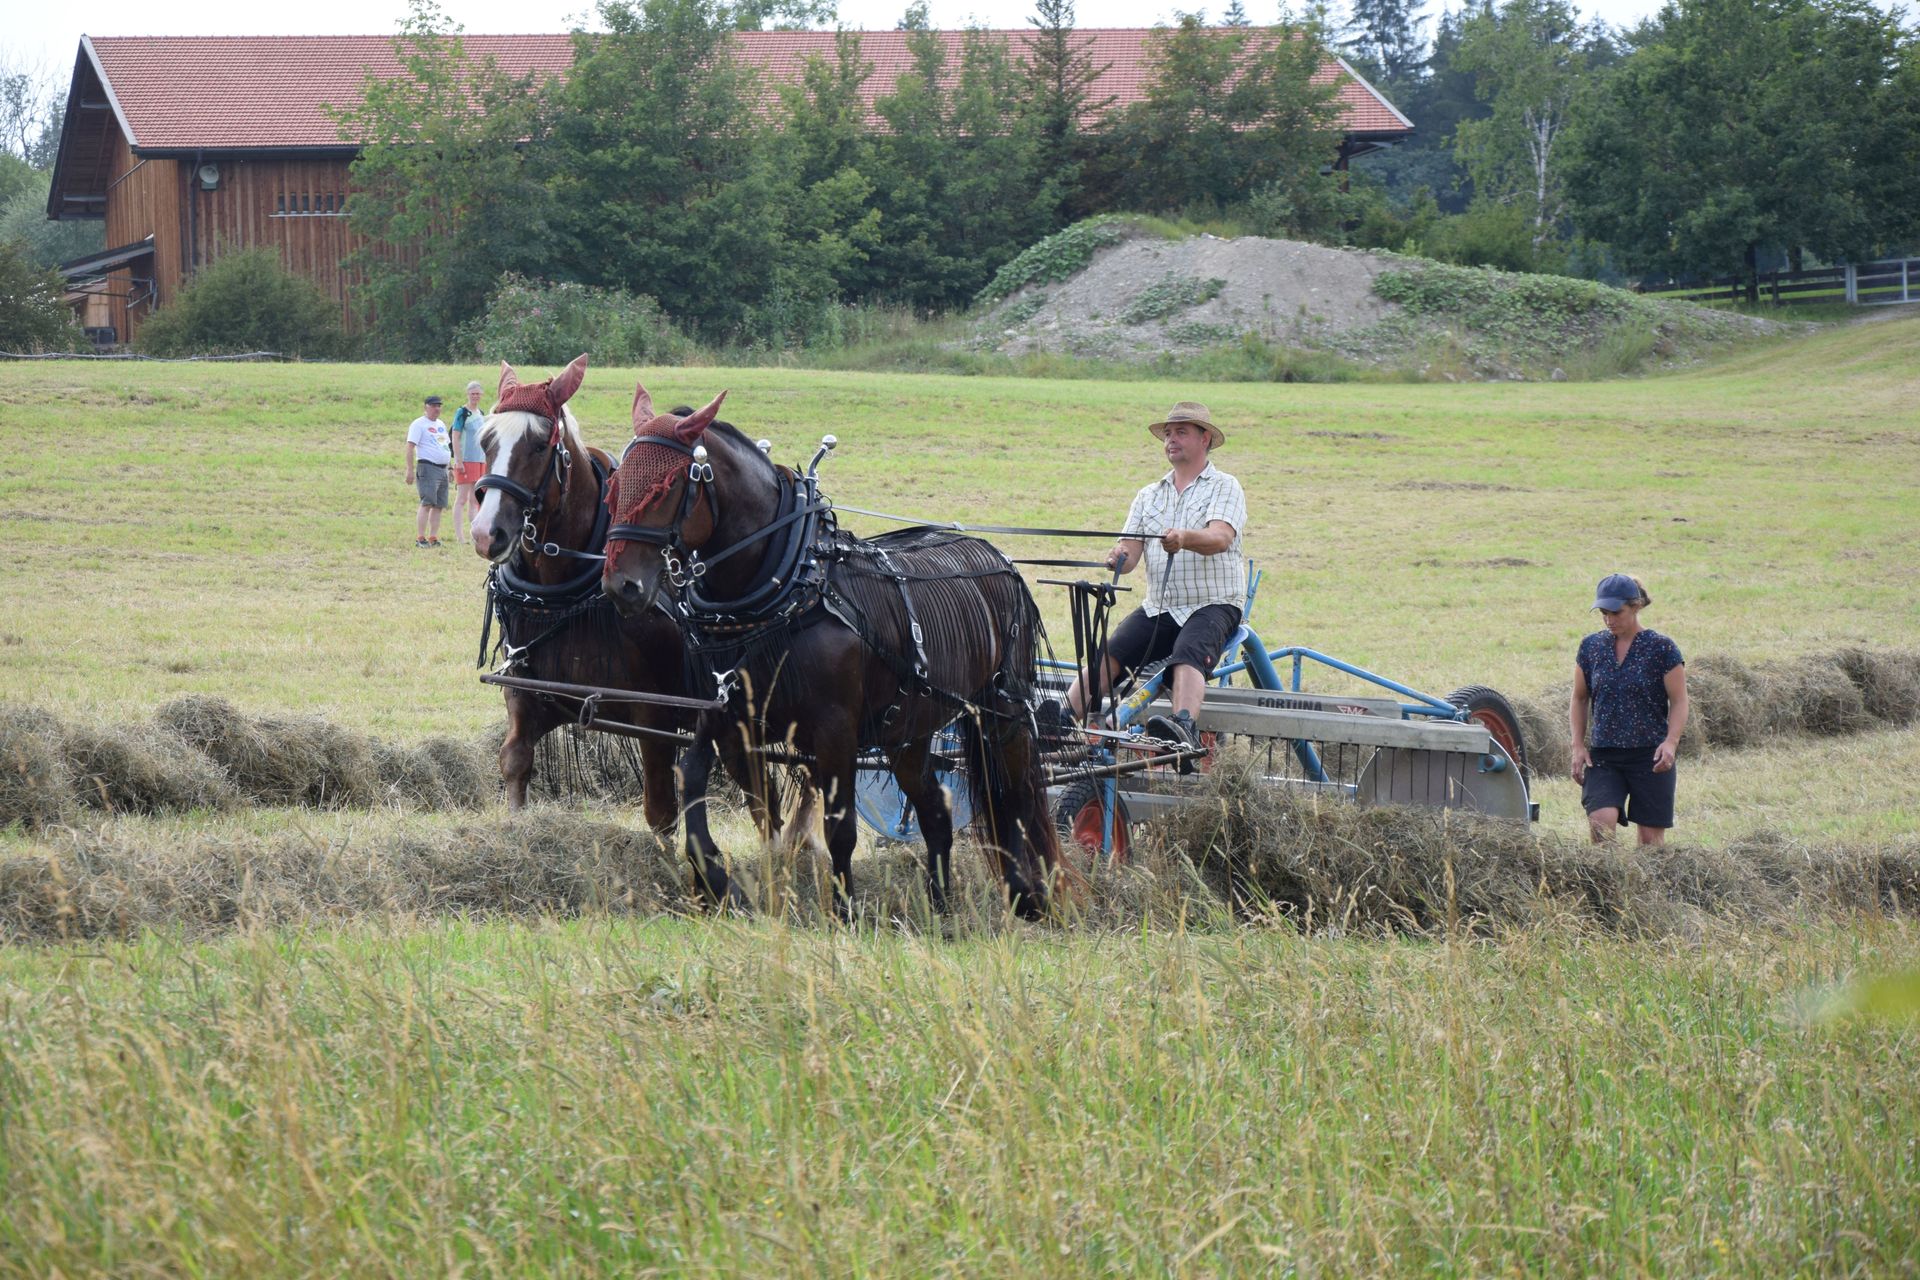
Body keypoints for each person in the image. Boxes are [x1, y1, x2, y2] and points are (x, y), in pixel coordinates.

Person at [1063, 400, 1247, 771]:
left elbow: (1220, 538)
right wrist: (1119, 556)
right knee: (1111, 653)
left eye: (1181, 432)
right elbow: (1130, 554)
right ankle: (1060, 717)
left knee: (1187, 653)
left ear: (1204, 438)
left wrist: (1185, 537)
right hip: (1160, 606)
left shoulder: (1225, 486)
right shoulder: (1149, 494)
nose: (1171, 440)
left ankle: (1182, 728)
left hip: (1213, 603)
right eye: (1168, 434)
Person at [1570, 573, 1690, 845]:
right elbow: (1579, 698)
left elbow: (1680, 700)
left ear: (1635, 606)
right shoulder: (1591, 647)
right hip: (1604, 755)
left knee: (1650, 844)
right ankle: (1607, 887)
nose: (1609, 620)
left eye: (1616, 612)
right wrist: (1577, 745)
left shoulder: (1662, 648)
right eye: (1603, 613)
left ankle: (1644, 887)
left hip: (1651, 756)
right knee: (1601, 825)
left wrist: (1671, 742)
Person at [404, 394, 453, 548]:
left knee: (439, 505)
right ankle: (420, 537)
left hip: (442, 468)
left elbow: (445, 446)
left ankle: (433, 536)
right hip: (428, 466)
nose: (437, 408)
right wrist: (410, 469)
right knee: (427, 503)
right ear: (426, 407)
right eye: (433, 406)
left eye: (438, 405)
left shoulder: (441, 424)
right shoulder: (418, 424)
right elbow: (410, 446)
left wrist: (450, 467)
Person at [449, 380, 487, 544]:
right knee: (462, 498)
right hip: (466, 460)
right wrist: (458, 460)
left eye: (478, 393)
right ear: (468, 394)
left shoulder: (481, 414)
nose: (475, 396)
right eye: (473, 393)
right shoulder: (462, 412)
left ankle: (475, 535)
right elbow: (455, 436)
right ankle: (459, 536)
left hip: (480, 460)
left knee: (475, 499)